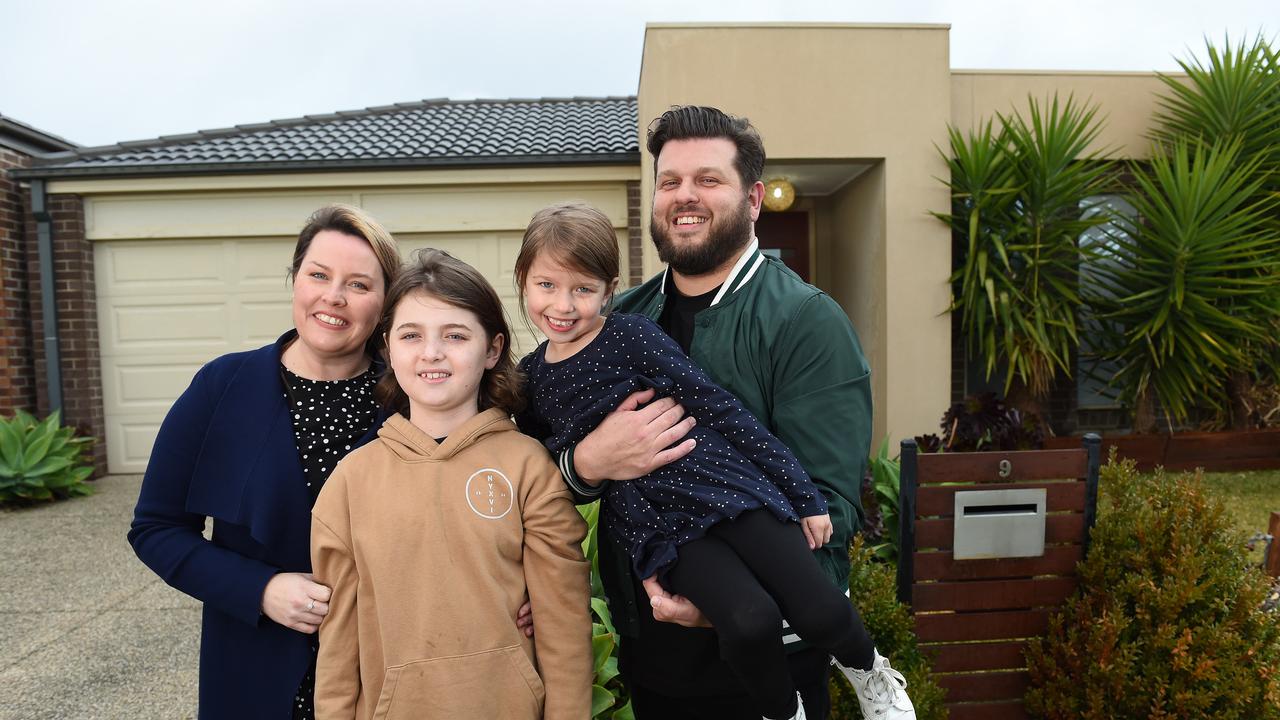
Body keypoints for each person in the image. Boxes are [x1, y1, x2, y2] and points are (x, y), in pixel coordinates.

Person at [552, 106, 913, 719]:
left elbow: (831, 504)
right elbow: (549, 467)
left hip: (770, 658)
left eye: (707, 179)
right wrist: (586, 462)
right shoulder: (618, 323)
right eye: (669, 181)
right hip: (655, 653)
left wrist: (728, 608)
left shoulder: (805, 320)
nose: (684, 196)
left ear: (753, 199)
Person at [127, 206, 533, 719]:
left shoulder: (420, 391)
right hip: (259, 662)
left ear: (385, 304)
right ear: (295, 279)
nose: (333, 297)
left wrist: (522, 597)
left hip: (397, 665)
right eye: (318, 275)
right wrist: (260, 589)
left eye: (359, 285)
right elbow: (156, 529)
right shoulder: (222, 387)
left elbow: (500, 501)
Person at [310, 248, 591, 720]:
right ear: (388, 349)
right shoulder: (350, 482)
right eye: (411, 335)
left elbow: (563, 625)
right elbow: (338, 642)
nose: (432, 352)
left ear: (492, 350)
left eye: (455, 335)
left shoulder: (527, 467)